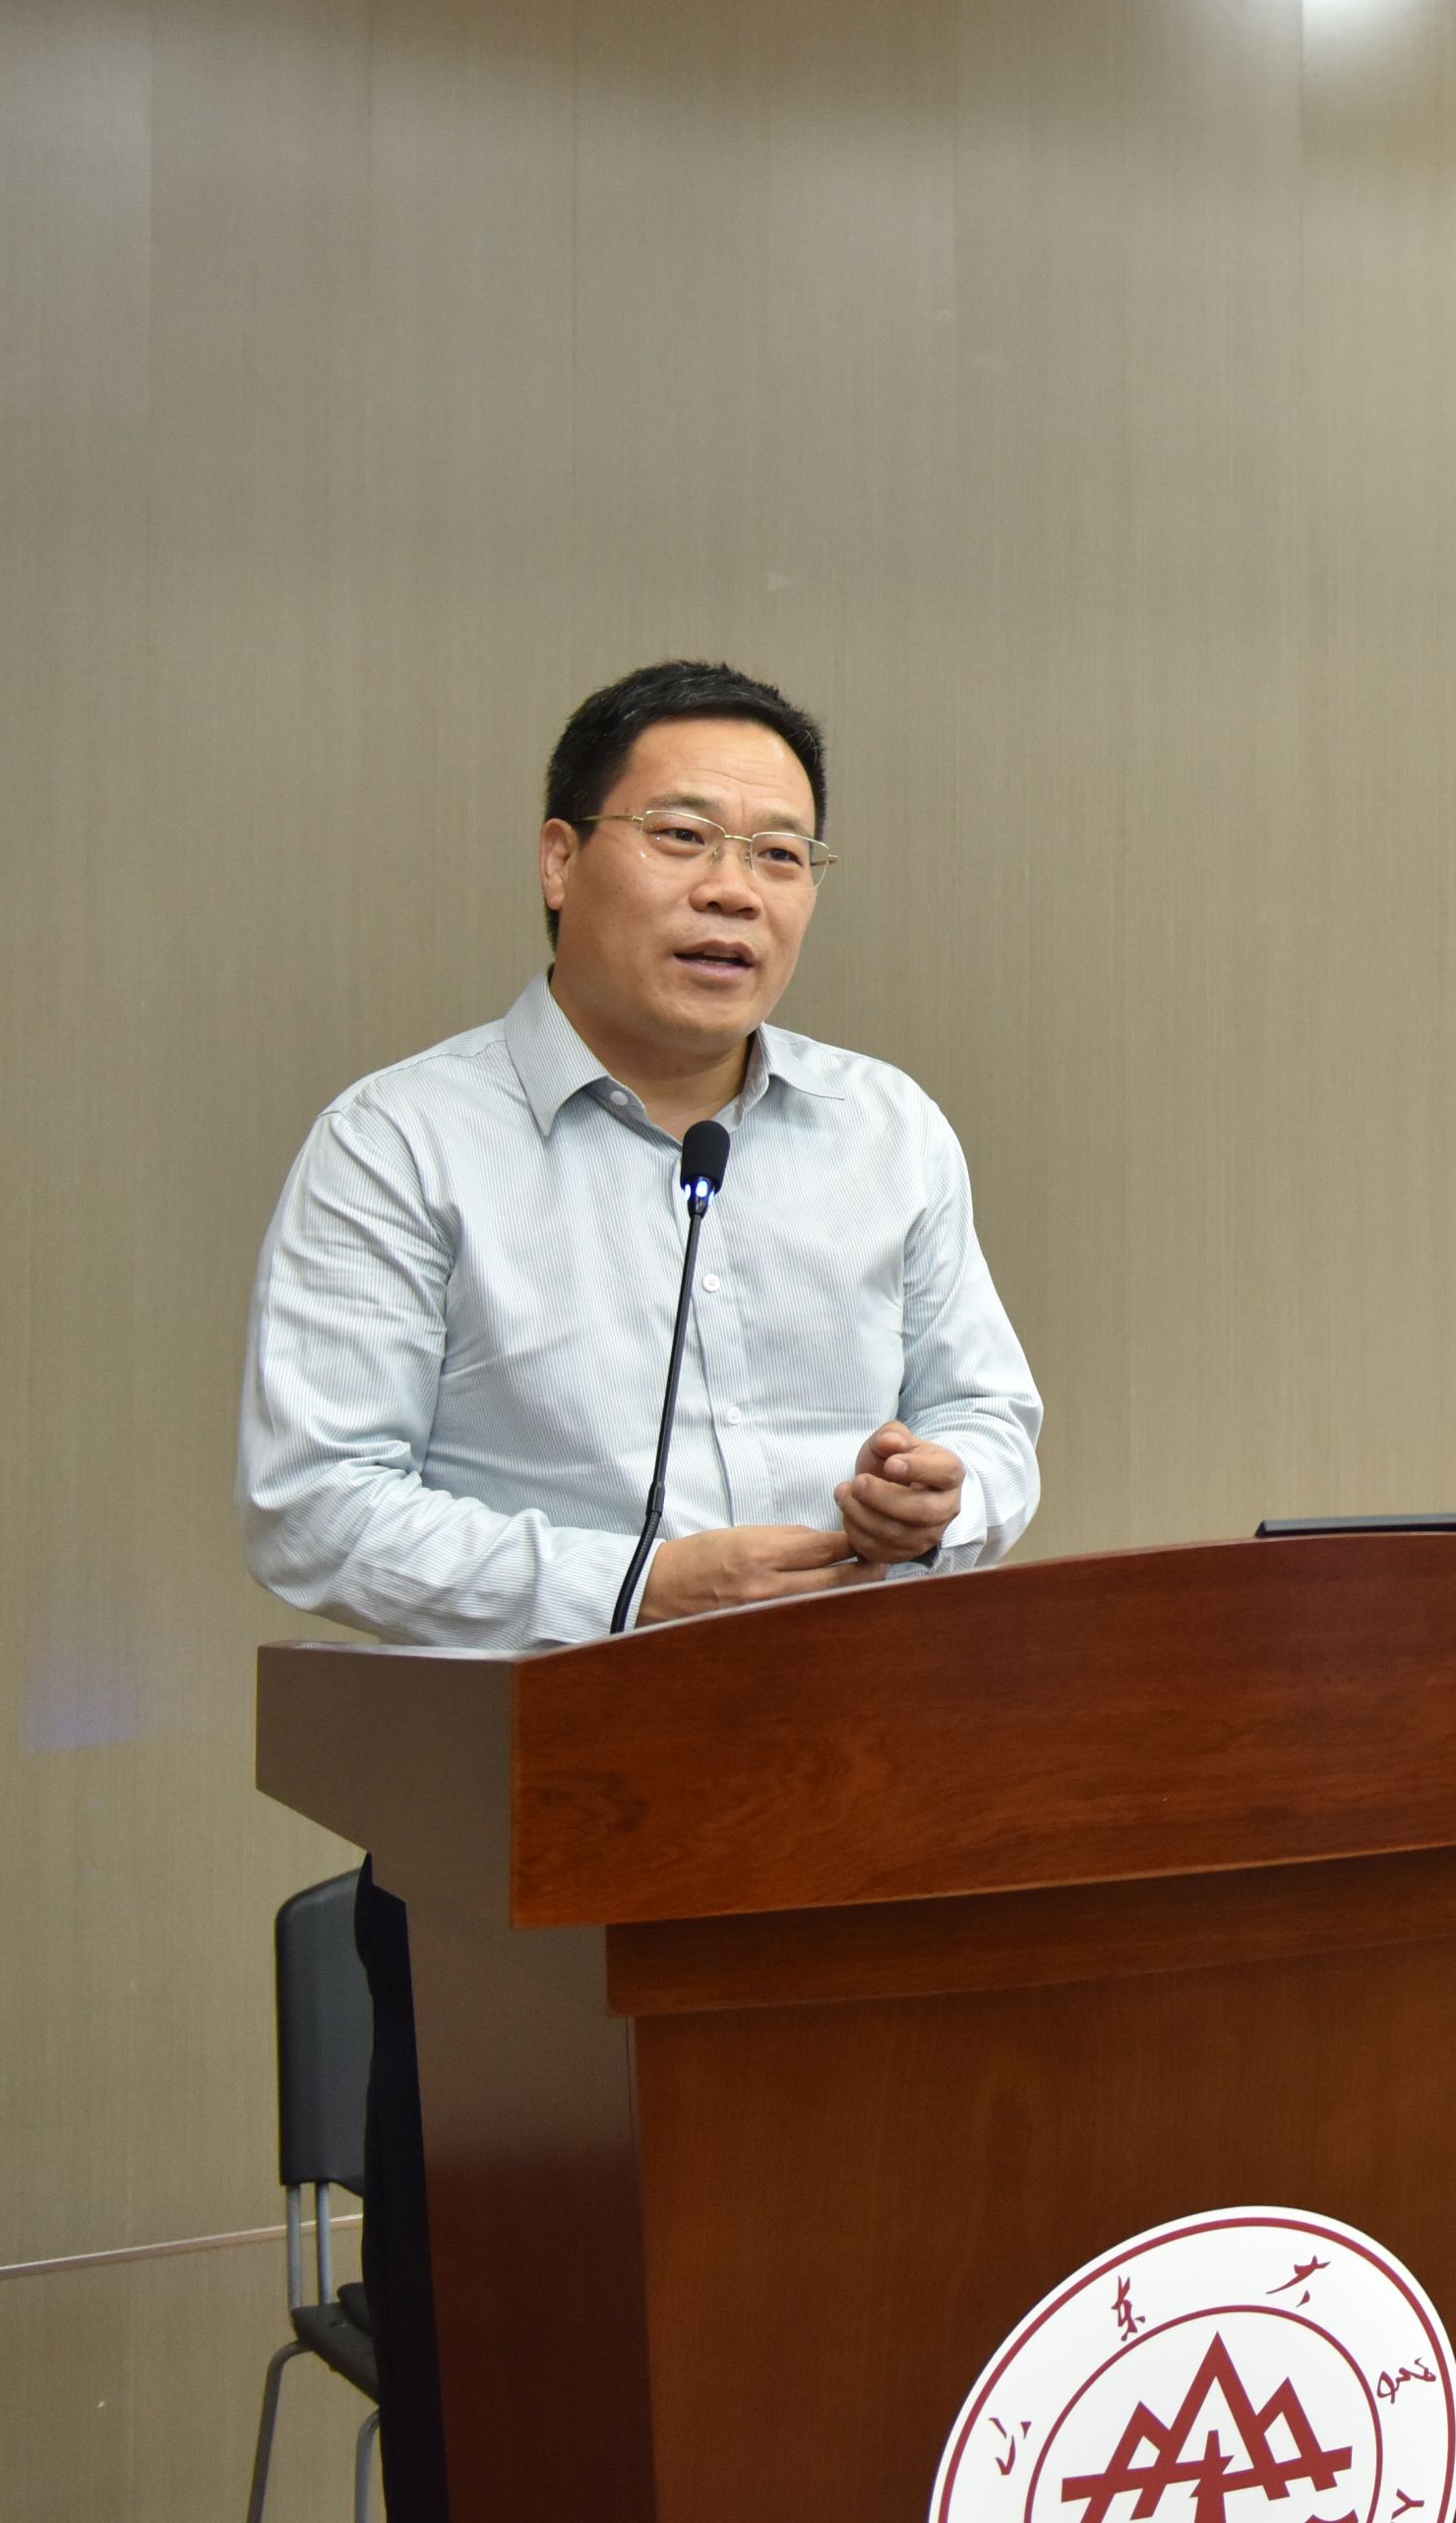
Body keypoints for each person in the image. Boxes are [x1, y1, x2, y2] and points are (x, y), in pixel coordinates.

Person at [233, 658, 1044, 2518]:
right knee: (544, 2396)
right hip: (525, 1883)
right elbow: (315, 1508)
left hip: (865, 1838)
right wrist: (644, 1588)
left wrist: (947, 1500)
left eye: (781, 854)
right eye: (682, 837)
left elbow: (992, 1415)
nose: (734, 891)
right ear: (559, 859)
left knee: (868, 2361)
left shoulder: (890, 1131)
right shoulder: (403, 1144)